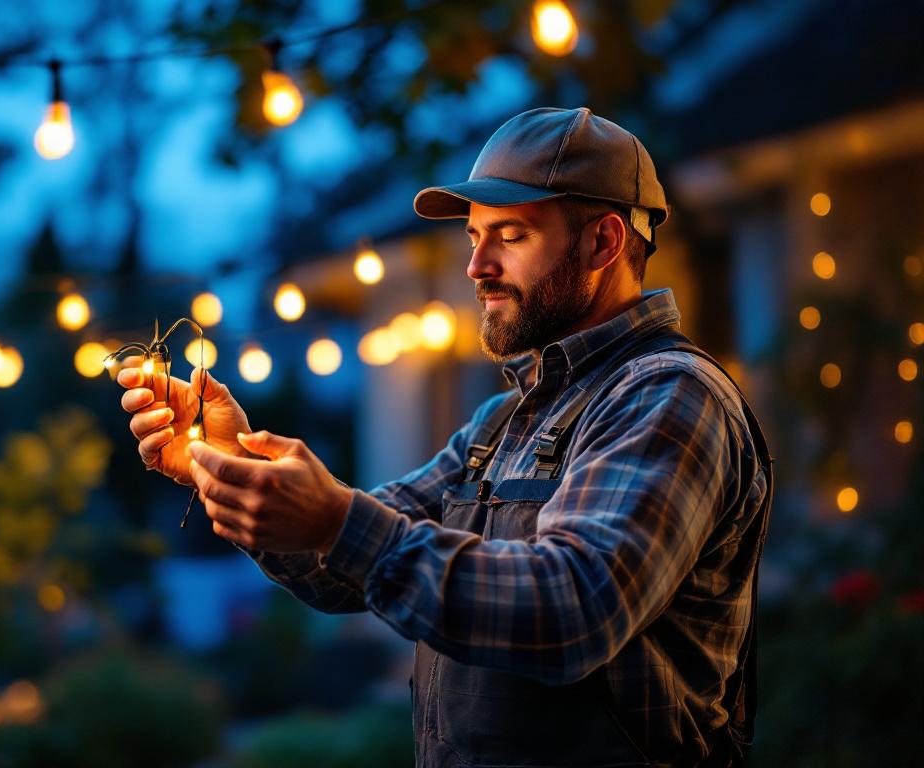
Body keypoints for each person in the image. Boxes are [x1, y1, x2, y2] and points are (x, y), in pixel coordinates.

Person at [115, 107, 773, 767]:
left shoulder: (668, 396)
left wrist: (336, 520)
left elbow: (572, 608)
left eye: (509, 235)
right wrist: (230, 464)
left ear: (603, 242)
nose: (476, 266)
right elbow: (345, 570)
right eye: (474, 237)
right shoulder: (498, 423)